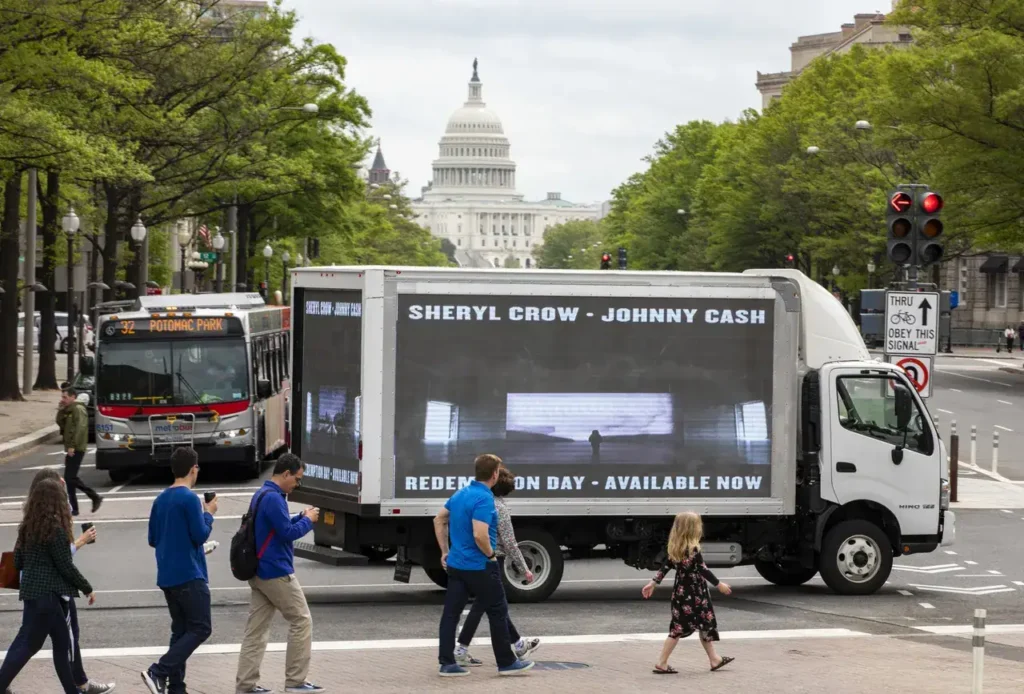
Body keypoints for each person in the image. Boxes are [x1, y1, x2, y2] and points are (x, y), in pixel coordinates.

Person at [434, 454, 534, 677]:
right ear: (495, 474)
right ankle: (506, 662)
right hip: (479, 566)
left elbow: (438, 519)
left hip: (456, 565)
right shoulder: (484, 498)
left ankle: (447, 663)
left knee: (451, 614)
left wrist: (444, 551)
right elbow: (480, 535)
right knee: (498, 610)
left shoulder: (460, 494)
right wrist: (490, 555)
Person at [19, 470, 114, 694]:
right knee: (43, 643)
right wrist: (81, 542)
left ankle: (79, 684)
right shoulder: (47, 522)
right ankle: (79, 685)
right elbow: (61, 560)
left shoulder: (40, 515)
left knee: (63, 641)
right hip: (52, 591)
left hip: (45, 590)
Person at [235, 453, 323, 694]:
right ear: (285, 474)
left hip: (258, 571)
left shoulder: (262, 494)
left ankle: (246, 684)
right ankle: (295, 681)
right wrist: (309, 521)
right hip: (276, 571)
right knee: (301, 620)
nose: (298, 484)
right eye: (297, 479)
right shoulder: (275, 498)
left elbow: (275, 526)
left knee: (256, 631)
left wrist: (300, 516)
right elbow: (285, 533)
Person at [0, 479, 97, 694]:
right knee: (40, 646)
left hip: (31, 594)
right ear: (57, 503)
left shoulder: (27, 528)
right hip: (49, 597)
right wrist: (87, 588)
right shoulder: (56, 530)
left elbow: (17, 562)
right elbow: (66, 567)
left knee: (47, 644)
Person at [142, 447, 217, 694]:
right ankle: (158, 670)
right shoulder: (190, 499)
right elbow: (199, 535)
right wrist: (209, 515)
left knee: (181, 631)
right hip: (189, 573)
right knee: (201, 628)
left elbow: (153, 538)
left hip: (167, 575)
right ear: (193, 469)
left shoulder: (160, 499)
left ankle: (176, 686)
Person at [454, 465, 540, 666]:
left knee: (492, 605)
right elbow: (509, 543)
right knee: (491, 606)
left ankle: (519, 645)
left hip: (470, 559)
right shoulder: (499, 508)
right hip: (492, 560)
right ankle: (463, 650)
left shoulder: (475, 501)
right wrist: (524, 569)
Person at [642, 512, 733, 674]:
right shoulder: (693, 549)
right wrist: (719, 585)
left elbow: (665, 566)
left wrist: (653, 582)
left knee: (679, 628)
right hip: (696, 594)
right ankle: (664, 662)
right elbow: (703, 570)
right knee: (702, 624)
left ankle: (713, 659)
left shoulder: (675, 548)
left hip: (680, 593)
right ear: (693, 529)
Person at [56, 386, 102, 516]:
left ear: (73, 397)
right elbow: (60, 423)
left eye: (65, 397)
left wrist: (73, 446)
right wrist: (60, 410)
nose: (63, 399)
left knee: (70, 477)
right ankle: (74, 508)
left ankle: (93, 497)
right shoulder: (69, 410)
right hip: (72, 447)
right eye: (62, 397)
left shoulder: (78, 409)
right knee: (70, 478)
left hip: (77, 448)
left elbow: (80, 428)